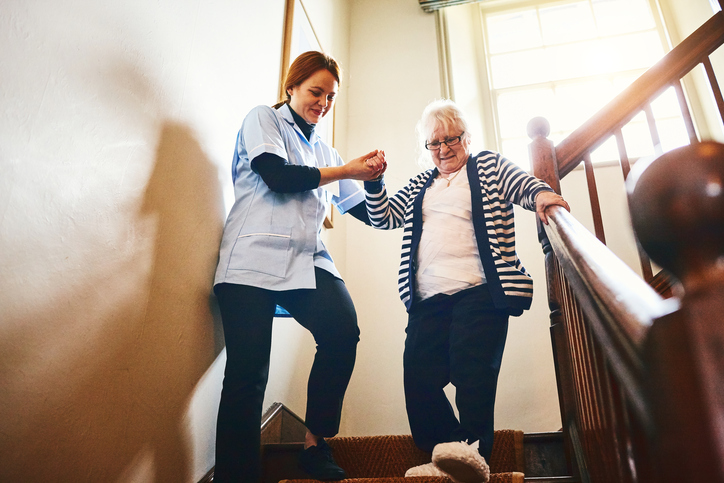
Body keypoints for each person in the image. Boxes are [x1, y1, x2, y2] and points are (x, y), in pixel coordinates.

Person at [364, 99, 569, 482]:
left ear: (466, 137)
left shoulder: (487, 165)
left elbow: (521, 183)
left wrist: (542, 196)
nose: (443, 148)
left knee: (470, 369)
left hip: (480, 290)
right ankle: (448, 454)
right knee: (418, 375)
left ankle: (473, 452)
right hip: (428, 298)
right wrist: (374, 182)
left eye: (450, 139)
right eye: (434, 143)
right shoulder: (421, 184)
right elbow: (383, 217)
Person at [213, 50, 386, 483]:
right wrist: (346, 169)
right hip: (250, 262)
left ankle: (314, 446)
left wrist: (375, 177)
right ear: (292, 87)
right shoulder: (264, 119)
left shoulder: (326, 148)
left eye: (330, 96)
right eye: (315, 91)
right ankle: (237, 477)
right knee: (247, 376)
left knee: (342, 331)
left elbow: (367, 212)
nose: (323, 102)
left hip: (307, 260)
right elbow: (277, 175)